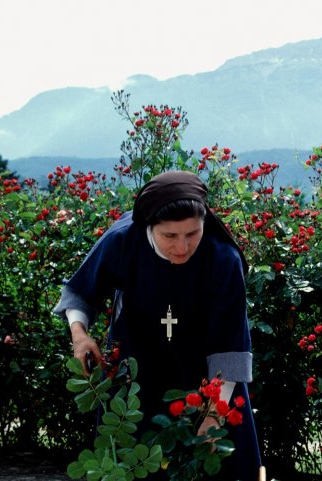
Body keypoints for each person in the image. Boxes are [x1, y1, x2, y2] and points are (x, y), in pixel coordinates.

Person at [56, 170, 261, 480]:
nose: (183, 246)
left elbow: (230, 347)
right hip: (135, 375)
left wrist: (213, 414)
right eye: (170, 236)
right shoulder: (122, 241)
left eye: (193, 233)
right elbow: (80, 292)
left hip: (208, 382)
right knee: (129, 465)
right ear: (150, 227)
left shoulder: (223, 259)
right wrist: (79, 335)